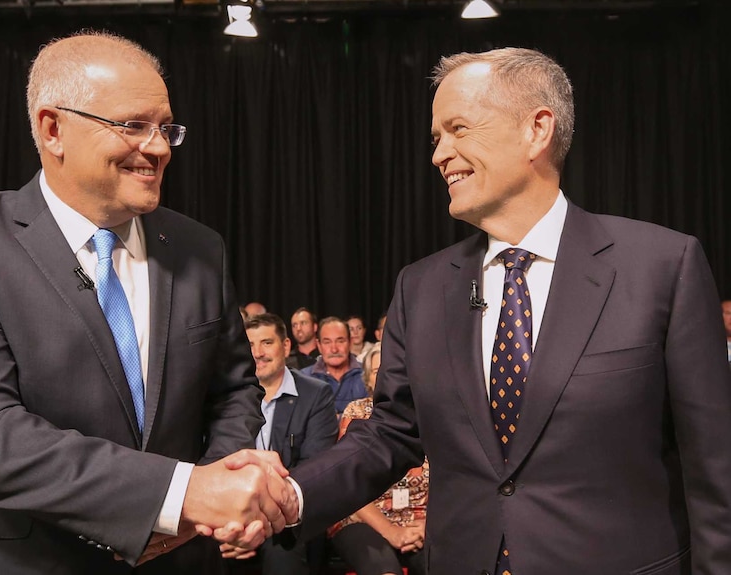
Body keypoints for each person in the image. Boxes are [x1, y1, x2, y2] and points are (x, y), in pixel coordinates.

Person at [262, 47, 731, 575]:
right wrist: (289, 495)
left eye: (458, 129)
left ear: (537, 130)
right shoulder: (421, 287)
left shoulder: (662, 266)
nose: (440, 154)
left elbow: (716, 468)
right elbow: (390, 434)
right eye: (436, 138)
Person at [0, 31, 292, 575]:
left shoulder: (200, 247)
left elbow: (232, 392)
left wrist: (203, 505)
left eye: (165, 129)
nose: (157, 148)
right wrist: (178, 496)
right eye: (133, 126)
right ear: (53, 129)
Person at [221, 314, 338, 575]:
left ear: (285, 346)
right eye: (250, 345)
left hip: (290, 515)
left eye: (266, 343)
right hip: (236, 513)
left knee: (282, 553)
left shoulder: (316, 394)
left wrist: (260, 523)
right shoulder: (227, 397)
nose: (257, 353)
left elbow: (314, 468)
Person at [328, 344, 428, 575]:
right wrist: (391, 531)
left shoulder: (430, 415)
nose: (385, 376)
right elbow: (348, 485)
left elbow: (451, 480)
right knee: (384, 571)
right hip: (363, 518)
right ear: (368, 380)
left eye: (393, 369)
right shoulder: (356, 413)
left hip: (422, 521)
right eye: (377, 370)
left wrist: (428, 526)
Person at [301, 317, 367, 414]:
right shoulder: (304, 378)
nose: (334, 349)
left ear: (350, 342)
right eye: (327, 342)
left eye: (340, 341)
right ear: (319, 346)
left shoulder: (368, 374)